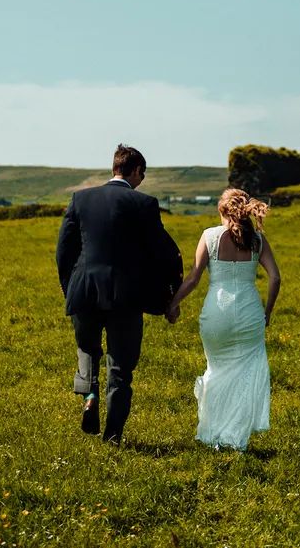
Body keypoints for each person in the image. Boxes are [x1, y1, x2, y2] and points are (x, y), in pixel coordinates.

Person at [55, 144, 181, 444]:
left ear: (115, 167)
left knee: (87, 349)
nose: (142, 180)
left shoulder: (80, 198)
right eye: (143, 174)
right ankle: (112, 435)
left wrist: (70, 288)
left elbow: (64, 250)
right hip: (126, 296)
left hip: (84, 289)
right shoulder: (144, 204)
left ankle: (90, 393)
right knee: (121, 366)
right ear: (135, 171)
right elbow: (163, 253)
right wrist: (169, 296)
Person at [167, 188, 281, 451]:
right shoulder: (258, 240)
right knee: (244, 375)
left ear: (222, 211)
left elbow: (194, 279)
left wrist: (173, 304)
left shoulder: (209, 236)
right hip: (250, 313)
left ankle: (213, 433)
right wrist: (268, 312)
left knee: (216, 370)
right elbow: (275, 278)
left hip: (216, 313)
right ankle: (235, 435)